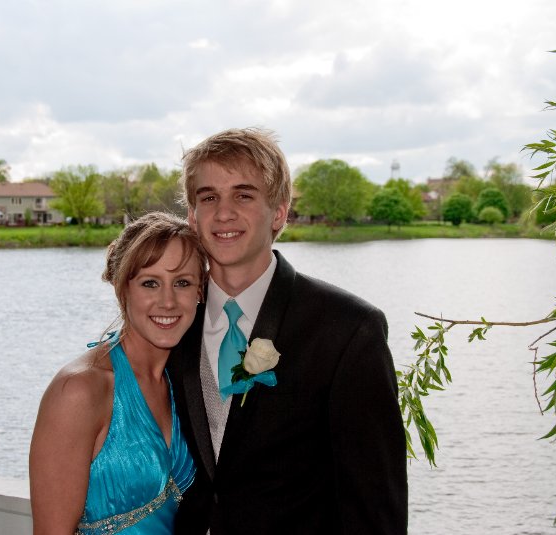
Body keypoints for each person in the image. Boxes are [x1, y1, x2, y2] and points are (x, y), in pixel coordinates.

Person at [167, 128, 408, 534]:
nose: (223, 212)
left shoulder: (348, 330)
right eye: (208, 197)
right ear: (192, 216)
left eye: (243, 195)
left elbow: (375, 504)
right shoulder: (171, 322)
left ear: (279, 212)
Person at [29, 211, 208, 535]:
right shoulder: (79, 391)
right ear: (121, 288)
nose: (167, 301)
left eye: (182, 282)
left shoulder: (185, 380)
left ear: (200, 292)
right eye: (150, 283)